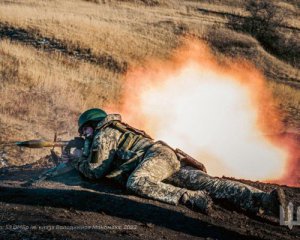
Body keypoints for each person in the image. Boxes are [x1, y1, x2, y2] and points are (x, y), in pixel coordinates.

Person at [67, 108, 286, 216]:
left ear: (92, 124)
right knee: (211, 184)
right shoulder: (115, 130)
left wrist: (78, 160)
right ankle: (265, 201)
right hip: (163, 159)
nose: (84, 135)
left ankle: (189, 197)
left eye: (84, 130)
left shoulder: (104, 133)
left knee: (136, 182)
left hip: (153, 159)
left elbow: (95, 171)